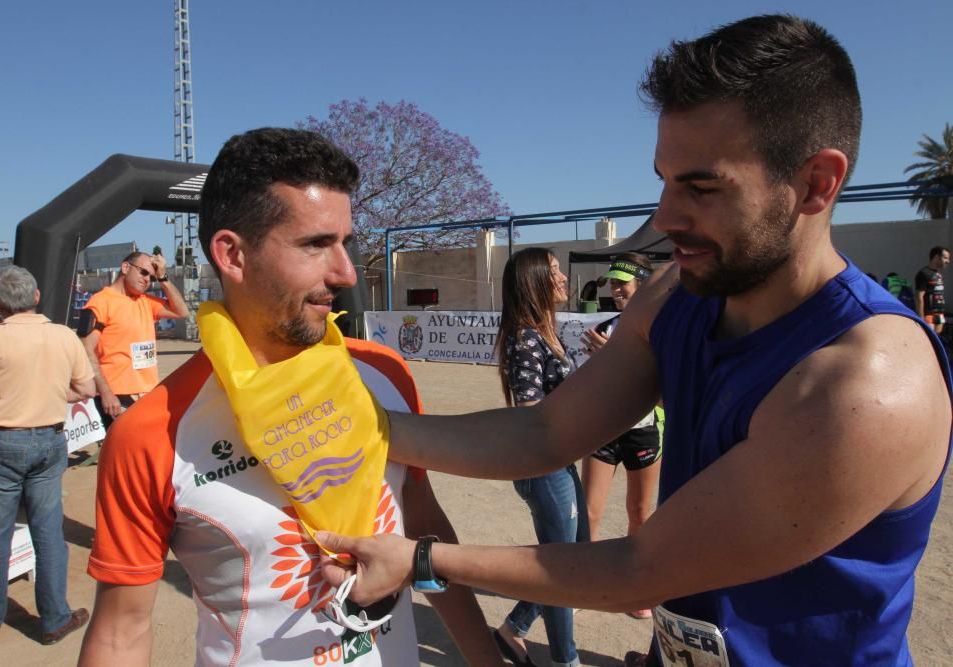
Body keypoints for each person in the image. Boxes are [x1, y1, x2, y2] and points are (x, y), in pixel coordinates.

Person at [315, 15, 952, 667]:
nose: (666, 216)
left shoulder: (869, 382)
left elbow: (642, 568)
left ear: (817, 182)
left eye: (701, 187)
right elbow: (545, 434)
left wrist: (420, 558)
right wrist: (365, 425)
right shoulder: (676, 297)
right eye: (665, 179)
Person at [77, 128, 501, 666]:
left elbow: (424, 523)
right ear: (232, 254)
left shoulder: (383, 373)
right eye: (316, 244)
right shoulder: (150, 434)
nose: (345, 272)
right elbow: (121, 634)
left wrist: (484, 657)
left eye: (345, 241)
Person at [0, 266, 96, 646]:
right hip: (48, 441)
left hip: (0, 442)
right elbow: (85, 387)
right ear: (36, 297)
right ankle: (53, 619)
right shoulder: (64, 336)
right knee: (48, 533)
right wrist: (51, 394)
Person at [492, 247, 589, 667]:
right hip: (543, 465)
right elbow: (531, 411)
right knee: (561, 570)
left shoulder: (543, 331)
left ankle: (513, 629)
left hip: (558, 460)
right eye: (553, 272)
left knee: (574, 553)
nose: (564, 277)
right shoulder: (526, 338)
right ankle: (565, 661)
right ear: (533, 283)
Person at [578, 253, 662, 621]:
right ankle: (585, 584)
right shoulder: (606, 327)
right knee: (588, 513)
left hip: (642, 433)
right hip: (604, 430)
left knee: (640, 514)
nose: (615, 289)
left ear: (640, 284)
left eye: (621, 283)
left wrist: (610, 355)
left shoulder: (661, 327)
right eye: (611, 283)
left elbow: (658, 386)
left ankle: (637, 590)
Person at [79, 251, 188, 429]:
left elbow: (181, 311)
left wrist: (163, 277)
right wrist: (106, 392)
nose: (147, 279)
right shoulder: (100, 302)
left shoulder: (145, 301)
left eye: (151, 277)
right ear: (125, 267)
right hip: (118, 396)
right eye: (143, 272)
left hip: (147, 393)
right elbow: (85, 349)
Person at [915, 246, 949, 333]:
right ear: (937, 257)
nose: (948, 261)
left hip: (940, 314)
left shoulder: (938, 274)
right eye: (945, 258)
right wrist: (921, 318)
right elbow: (919, 297)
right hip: (928, 314)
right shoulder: (924, 273)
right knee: (929, 340)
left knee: (937, 340)